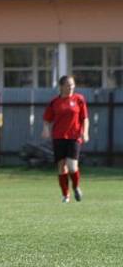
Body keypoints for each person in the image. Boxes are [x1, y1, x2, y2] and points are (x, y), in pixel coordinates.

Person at [41, 75, 89, 203]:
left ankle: (76, 187)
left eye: (72, 84)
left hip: (74, 136)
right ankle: (65, 195)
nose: (71, 87)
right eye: (68, 85)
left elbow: (85, 118)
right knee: (62, 167)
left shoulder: (79, 99)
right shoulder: (54, 102)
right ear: (61, 86)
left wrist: (85, 133)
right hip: (58, 137)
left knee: (72, 167)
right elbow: (47, 119)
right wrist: (45, 129)